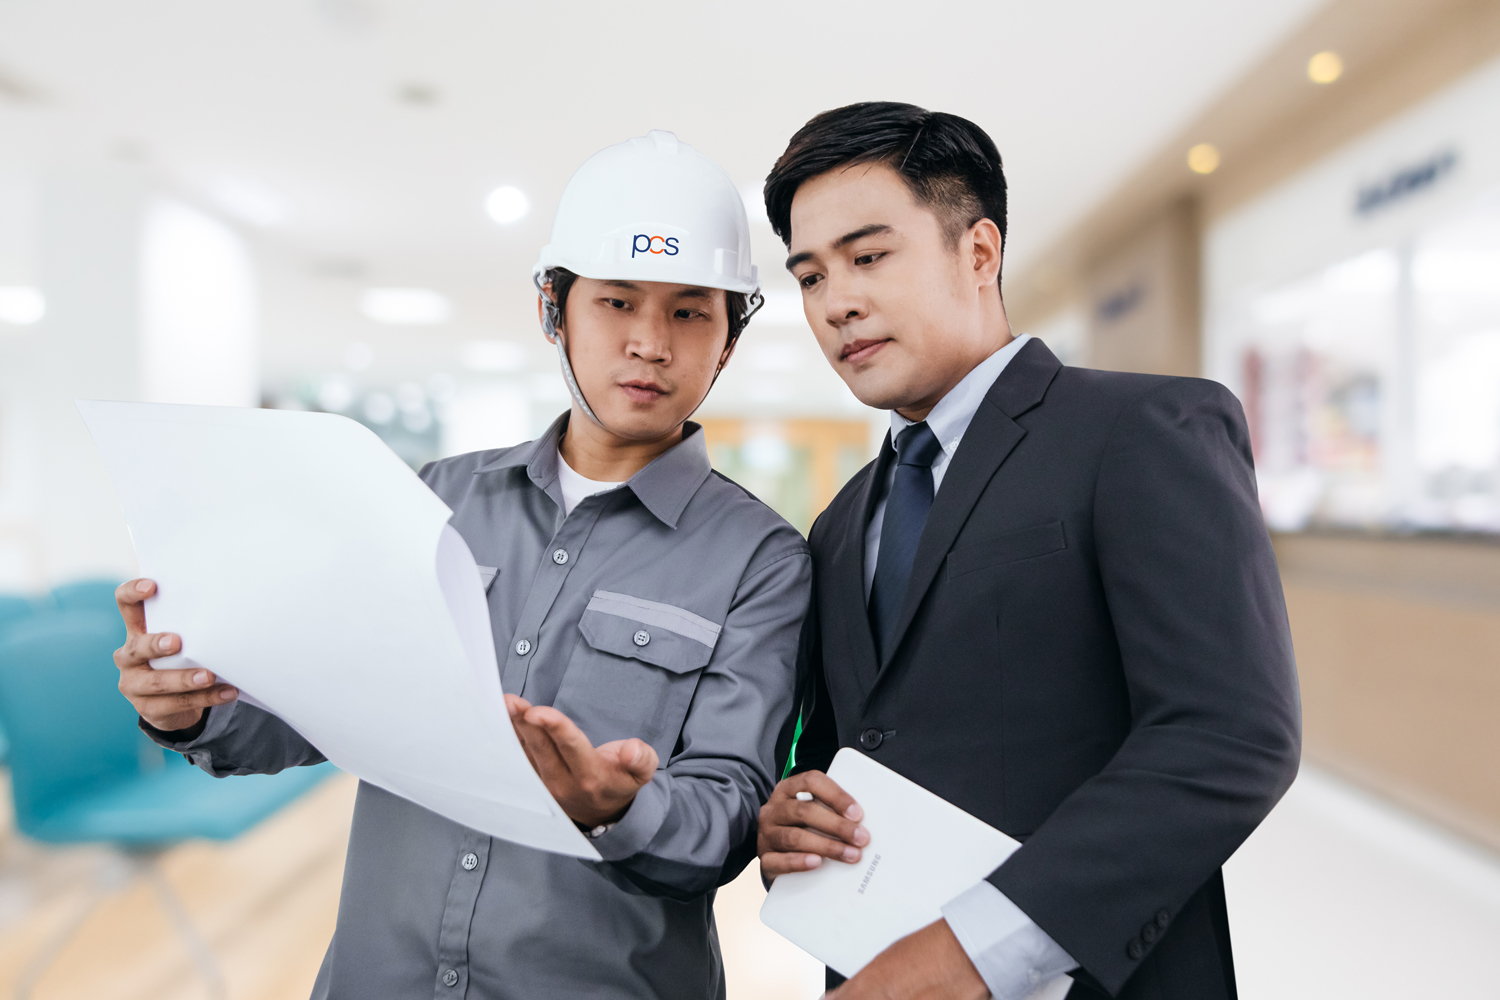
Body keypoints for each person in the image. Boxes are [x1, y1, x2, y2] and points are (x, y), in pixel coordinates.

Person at [112, 130, 811, 999]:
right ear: (554, 309)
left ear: (730, 338)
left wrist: (619, 806)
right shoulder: (434, 498)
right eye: (616, 301)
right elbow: (315, 712)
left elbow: (730, 811)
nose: (650, 343)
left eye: (689, 312)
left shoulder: (761, 561)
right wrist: (193, 708)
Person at [755, 102, 1300, 1000]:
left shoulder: (1140, 430)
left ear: (979, 252)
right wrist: (793, 815)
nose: (836, 302)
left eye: (869, 257)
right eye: (810, 277)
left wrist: (970, 951)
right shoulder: (841, 523)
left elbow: (1228, 738)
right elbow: (845, 746)